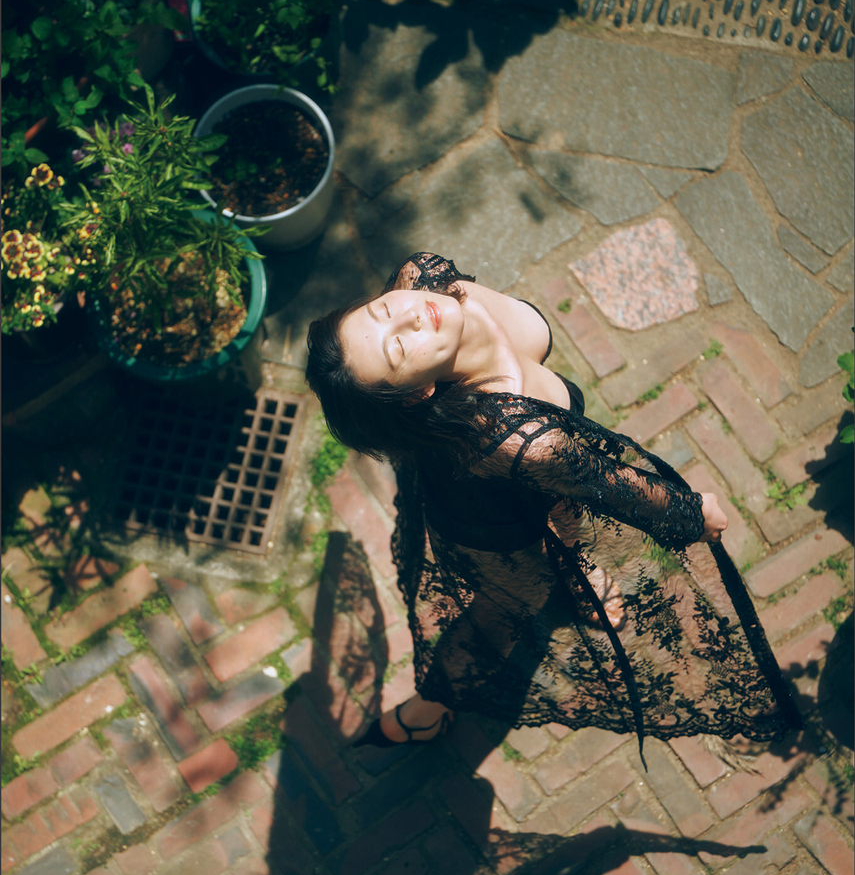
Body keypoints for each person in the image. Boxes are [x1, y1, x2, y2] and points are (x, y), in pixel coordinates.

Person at [305, 251, 802, 757]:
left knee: (558, 519)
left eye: (382, 310)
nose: (410, 316)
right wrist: (694, 514)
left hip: (524, 482)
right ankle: (425, 711)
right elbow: (614, 487)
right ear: (416, 394)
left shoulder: (422, 277)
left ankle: (575, 573)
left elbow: (569, 483)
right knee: (502, 614)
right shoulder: (517, 439)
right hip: (487, 520)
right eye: (396, 349)